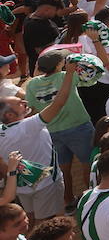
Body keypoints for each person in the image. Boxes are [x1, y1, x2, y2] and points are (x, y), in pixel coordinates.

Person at [0, 54, 78, 219]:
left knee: (30, 219)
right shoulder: (29, 126)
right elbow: (59, 102)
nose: (25, 102)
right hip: (46, 185)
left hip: (22, 187)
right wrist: (70, 73)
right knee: (51, 224)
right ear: (9, 115)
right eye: (19, 103)